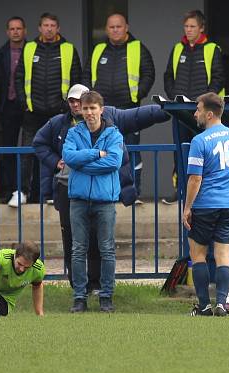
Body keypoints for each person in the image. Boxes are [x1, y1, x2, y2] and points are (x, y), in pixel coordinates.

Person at [33, 84, 168, 293]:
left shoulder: (112, 120)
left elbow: (138, 118)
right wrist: (59, 161)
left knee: (100, 243)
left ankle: (98, 286)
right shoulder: (60, 125)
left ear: (97, 106)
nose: (78, 105)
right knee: (73, 243)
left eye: (84, 102)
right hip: (69, 190)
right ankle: (78, 289)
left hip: (101, 191)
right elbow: (42, 144)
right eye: (72, 101)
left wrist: (169, 110)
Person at [183, 93, 229, 316]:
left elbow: (195, 178)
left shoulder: (199, 141)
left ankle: (204, 306)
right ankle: (222, 303)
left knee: (198, 254)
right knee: (223, 255)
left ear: (209, 114)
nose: (195, 113)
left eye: (198, 109)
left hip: (206, 204)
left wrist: (187, 207)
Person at [62, 91, 123, 313]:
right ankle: (80, 297)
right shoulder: (73, 133)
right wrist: (97, 153)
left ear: (101, 109)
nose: (88, 113)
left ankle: (106, 296)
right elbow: (69, 158)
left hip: (105, 201)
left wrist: (82, 162)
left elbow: (114, 162)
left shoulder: (114, 134)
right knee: (78, 249)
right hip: (78, 200)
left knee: (107, 249)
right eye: (85, 109)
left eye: (92, 108)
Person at [83, 13, 155, 200]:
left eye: (119, 26)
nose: (115, 30)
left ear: (126, 28)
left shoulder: (138, 48)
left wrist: (137, 94)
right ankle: (107, 193)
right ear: (107, 30)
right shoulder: (98, 50)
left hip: (128, 110)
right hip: (102, 112)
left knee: (131, 152)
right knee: (103, 153)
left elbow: (149, 73)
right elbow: (86, 75)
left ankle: (133, 194)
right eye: (111, 27)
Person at [15, 12, 82, 203]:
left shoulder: (68, 49)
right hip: (32, 112)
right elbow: (19, 77)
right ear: (39, 28)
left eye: (53, 25)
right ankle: (23, 192)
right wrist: (24, 103)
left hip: (59, 112)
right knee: (28, 152)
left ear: (58, 28)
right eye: (46, 25)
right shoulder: (29, 48)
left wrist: (66, 106)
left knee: (59, 153)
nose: (49, 28)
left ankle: (55, 193)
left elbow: (76, 80)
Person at [162, 10, 225, 205]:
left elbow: (218, 77)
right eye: (186, 27)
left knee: (205, 151)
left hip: (204, 113)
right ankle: (180, 189)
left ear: (201, 28)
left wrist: (205, 103)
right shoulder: (177, 49)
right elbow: (168, 76)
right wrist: (174, 97)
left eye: (192, 27)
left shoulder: (212, 48)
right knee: (180, 151)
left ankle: (204, 190)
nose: (188, 30)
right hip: (181, 109)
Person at [0, 16, 27, 207]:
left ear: (25, 31)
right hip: (7, 105)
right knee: (7, 148)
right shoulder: (0, 54)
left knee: (30, 148)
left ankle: (29, 190)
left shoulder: (32, 50)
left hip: (28, 105)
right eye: (12, 29)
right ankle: (9, 189)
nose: (15, 32)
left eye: (19, 28)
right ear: (7, 32)